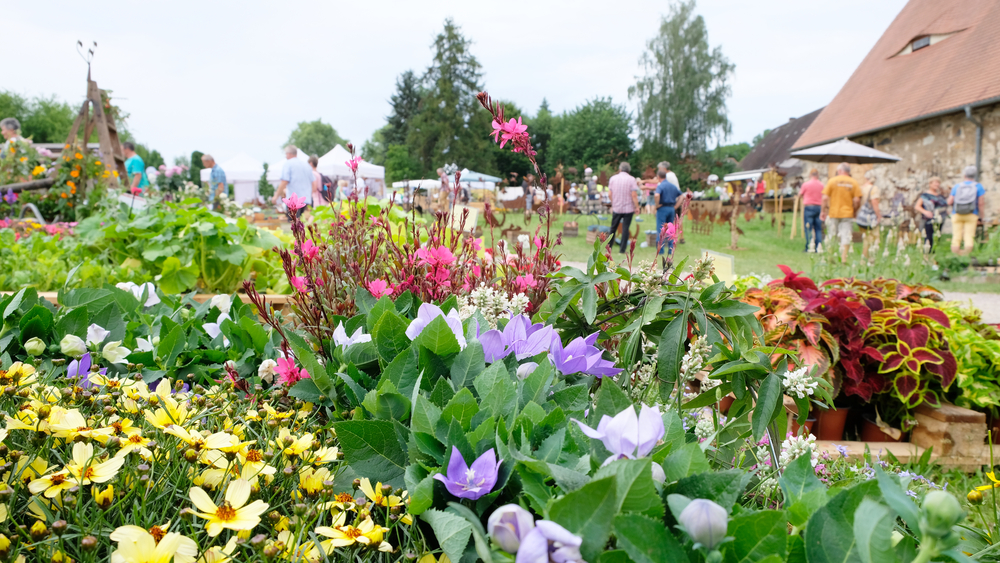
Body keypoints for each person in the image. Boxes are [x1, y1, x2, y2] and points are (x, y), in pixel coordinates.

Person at [821, 162, 862, 263]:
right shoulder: (853, 182)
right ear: (848, 171)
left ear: (839, 171)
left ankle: (830, 257)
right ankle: (844, 259)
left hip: (833, 213)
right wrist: (854, 210)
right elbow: (857, 200)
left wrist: (823, 211)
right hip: (847, 213)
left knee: (832, 235)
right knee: (846, 236)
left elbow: (825, 197)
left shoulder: (832, 181)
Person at [947, 165, 987, 255]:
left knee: (956, 236)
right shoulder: (978, 186)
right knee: (969, 236)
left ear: (964, 175)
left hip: (957, 214)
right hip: (971, 214)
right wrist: (981, 217)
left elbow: (949, 202)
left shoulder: (957, 186)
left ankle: (955, 257)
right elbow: (981, 203)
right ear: (974, 175)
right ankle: (966, 257)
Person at [271, 145, 314, 218]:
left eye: (286, 154)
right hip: (305, 199)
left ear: (289, 154)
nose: (286, 156)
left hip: (293, 201)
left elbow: (284, 181)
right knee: (300, 221)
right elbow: (313, 183)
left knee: (293, 222)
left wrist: (276, 196)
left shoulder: (288, 164)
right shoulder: (306, 165)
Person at [607, 162, 640, 253]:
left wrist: (613, 202)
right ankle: (622, 249)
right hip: (628, 208)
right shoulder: (632, 179)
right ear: (628, 170)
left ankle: (609, 247)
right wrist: (637, 207)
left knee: (613, 228)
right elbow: (634, 195)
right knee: (625, 228)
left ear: (620, 169)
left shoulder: (613, 178)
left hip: (617, 207)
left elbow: (610, 193)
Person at [914, 176, 948, 252]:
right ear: (930, 184)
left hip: (939, 221)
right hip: (929, 220)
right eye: (935, 182)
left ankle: (933, 255)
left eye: (938, 183)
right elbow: (917, 206)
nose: (937, 184)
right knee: (928, 238)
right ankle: (926, 254)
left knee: (936, 238)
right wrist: (925, 212)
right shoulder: (925, 196)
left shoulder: (940, 196)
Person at [654, 169, 682, 255]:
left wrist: (657, 204)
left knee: (661, 229)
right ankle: (670, 250)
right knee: (671, 230)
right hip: (671, 209)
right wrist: (676, 206)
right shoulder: (673, 186)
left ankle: (660, 251)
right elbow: (681, 196)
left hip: (662, 208)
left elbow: (656, 195)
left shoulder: (660, 186)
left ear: (658, 177)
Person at [856, 170, 882, 260]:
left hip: (861, 217)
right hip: (871, 218)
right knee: (873, 239)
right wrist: (879, 216)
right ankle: (870, 258)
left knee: (866, 239)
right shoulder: (874, 189)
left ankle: (864, 258)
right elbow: (875, 203)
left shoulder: (861, 188)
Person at [798, 168, 825, 252]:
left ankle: (810, 246)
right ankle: (818, 246)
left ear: (810, 175)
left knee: (808, 227)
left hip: (809, 207)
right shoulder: (821, 185)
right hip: (819, 207)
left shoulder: (806, 184)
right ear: (818, 175)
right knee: (818, 228)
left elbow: (800, 195)